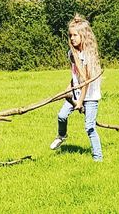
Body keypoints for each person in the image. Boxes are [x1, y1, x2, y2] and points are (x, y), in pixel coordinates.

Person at [50, 15, 103, 162]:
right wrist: (67, 90)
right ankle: (62, 136)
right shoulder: (71, 53)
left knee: (89, 127)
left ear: (83, 36)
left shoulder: (87, 55)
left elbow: (85, 81)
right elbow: (75, 76)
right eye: (70, 35)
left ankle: (98, 158)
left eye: (75, 35)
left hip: (90, 97)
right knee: (61, 116)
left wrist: (80, 102)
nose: (72, 38)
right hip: (75, 93)